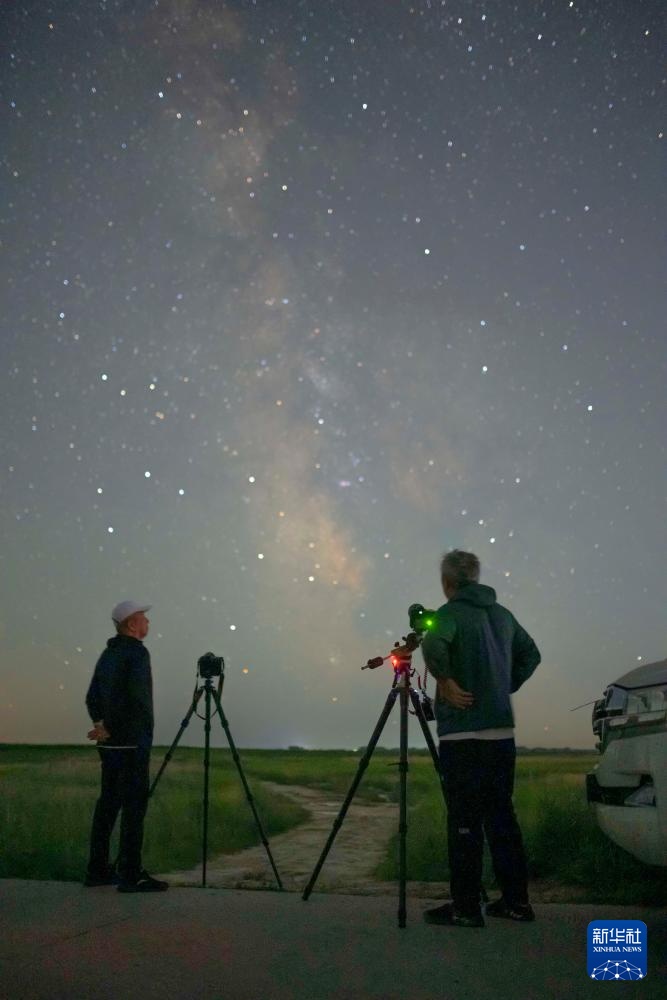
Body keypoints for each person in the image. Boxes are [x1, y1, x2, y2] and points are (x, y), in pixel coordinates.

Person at [420, 550, 540, 928]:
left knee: (464, 821)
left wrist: (445, 680)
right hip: (501, 735)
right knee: (502, 817)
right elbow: (531, 655)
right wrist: (504, 686)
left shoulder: (450, 614)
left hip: (463, 735)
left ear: (447, 583)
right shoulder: (503, 616)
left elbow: (431, 645)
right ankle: (516, 902)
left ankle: (466, 907)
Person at [84, 600, 168, 893]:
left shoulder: (108, 654)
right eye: (144, 619)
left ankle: (97, 871)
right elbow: (135, 700)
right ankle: (131, 875)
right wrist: (124, 731)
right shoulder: (137, 653)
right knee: (134, 808)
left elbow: (92, 696)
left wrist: (101, 725)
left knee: (107, 805)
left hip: (110, 746)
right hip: (132, 744)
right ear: (132, 624)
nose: (148, 624)